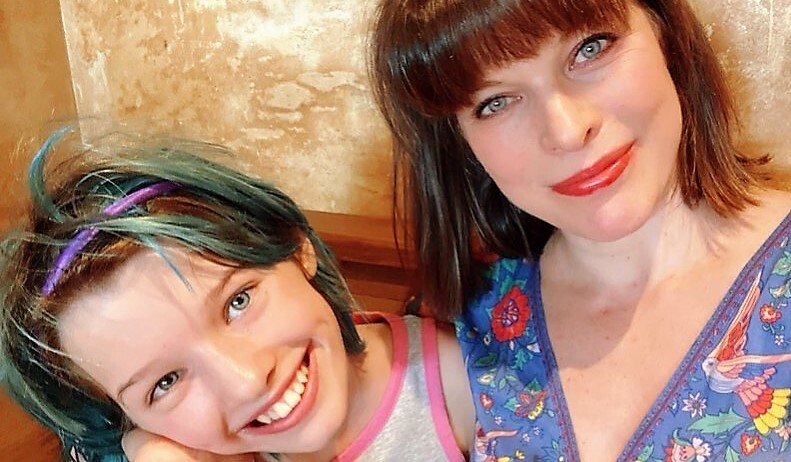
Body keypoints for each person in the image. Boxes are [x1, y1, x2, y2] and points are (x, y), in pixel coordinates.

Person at [369, 0, 791, 460]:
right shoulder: (469, 328)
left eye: (591, 48)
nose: (567, 131)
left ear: (665, 34)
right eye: (496, 102)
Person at [0, 126, 473, 461]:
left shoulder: (471, 386)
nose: (247, 382)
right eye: (166, 382)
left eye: (238, 302)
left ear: (297, 248)